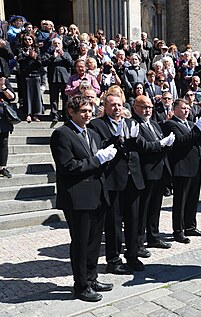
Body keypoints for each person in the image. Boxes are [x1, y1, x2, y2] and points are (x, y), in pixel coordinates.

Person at [50, 95, 116, 302]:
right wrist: (97, 160)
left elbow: (98, 162)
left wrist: (107, 156)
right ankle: (80, 285)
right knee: (80, 242)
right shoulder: (62, 134)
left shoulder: (93, 133)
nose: (88, 115)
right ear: (71, 112)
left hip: (97, 194)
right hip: (77, 197)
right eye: (83, 111)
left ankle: (92, 277)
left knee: (95, 241)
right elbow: (68, 166)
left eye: (90, 111)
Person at [88, 92, 146, 273]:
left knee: (134, 219)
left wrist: (135, 139)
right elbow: (98, 147)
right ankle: (113, 259)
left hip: (133, 177)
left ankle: (133, 255)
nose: (117, 108)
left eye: (119, 104)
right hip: (113, 178)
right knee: (114, 221)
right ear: (105, 107)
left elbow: (141, 146)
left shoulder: (130, 123)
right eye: (112, 105)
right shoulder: (97, 124)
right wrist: (114, 139)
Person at [132, 95, 175, 253]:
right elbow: (142, 146)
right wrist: (160, 144)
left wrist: (167, 144)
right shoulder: (134, 123)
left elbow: (161, 143)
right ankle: (138, 242)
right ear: (135, 107)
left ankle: (153, 236)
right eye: (144, 107)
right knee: (143, 208)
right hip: (146, 171)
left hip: (160, 170)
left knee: (155, 206)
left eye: (149, 107)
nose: (147, 110)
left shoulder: (154, 124)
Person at [161, 98, 201, 244]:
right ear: (174, 109)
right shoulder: (171, 123)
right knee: (180, 200)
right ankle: (178, 230)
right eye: (183, 108)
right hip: (182, 167)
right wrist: (196, 130)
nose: (186, 110)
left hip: (195, 166)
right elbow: (181, 141)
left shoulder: (191, 124)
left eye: (187, 108)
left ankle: (190, 226)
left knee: (193, 199)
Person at [42, 37, 73, 122]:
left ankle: (65, 115)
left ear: (62, 45)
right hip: (53, 78)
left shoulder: (66, 54)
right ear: (52, 45)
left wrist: (62, 55)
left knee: (65, 98)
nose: (57, 45)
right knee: (53, 98)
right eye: (55, 43)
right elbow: (43, 63)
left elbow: (71, 63)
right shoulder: (49, 54)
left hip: (64, 79)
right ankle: (54, 115)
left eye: (58, 43)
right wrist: (53, 57)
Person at [16, 33, 44, 122]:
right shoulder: (21, 49)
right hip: (25, 74)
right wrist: (28, 56)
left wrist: (34, 57)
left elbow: (40, 63)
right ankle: (27, 113)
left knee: (36, 95)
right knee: (26, 95)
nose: (27, 41)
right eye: (26, 40)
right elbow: (20, 60)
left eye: (29, 39)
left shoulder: (37, 49)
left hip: (35, 74)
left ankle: (36, 114)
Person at [0, 75, 16, 178]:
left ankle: (2, 167)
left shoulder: (4, 81)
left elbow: (13, 97)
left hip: (3, 120)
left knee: (3, 143)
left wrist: (3, 87)